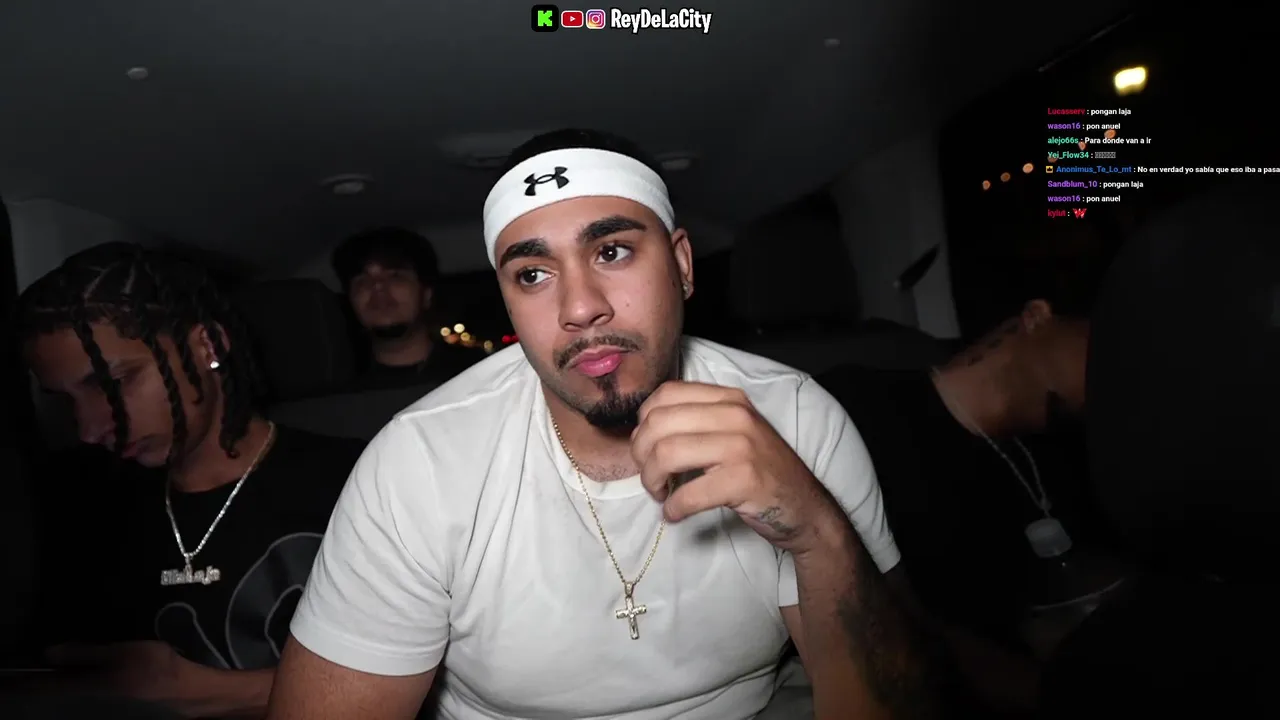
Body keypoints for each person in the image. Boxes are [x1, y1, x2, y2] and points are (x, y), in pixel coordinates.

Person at [266, 129, 939, 719]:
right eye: (533, 274)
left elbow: (894, 704)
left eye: (612, 251)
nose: (580, 308)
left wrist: (817, 531)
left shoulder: (794, 416)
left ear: (681, 265)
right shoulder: (417, 463)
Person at [15, 243, 365, 718]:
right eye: (65, 400)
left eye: (113, 384)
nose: (90, 428)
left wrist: (199, 691)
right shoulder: (83, 506)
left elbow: (438, 674)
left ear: (208, 346)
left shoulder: (357, 480)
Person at [818, 294, 1122, 713]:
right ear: (1036, 316)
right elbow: (868, 613)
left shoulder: (1064, 454)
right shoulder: (859, 410)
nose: (1115, 369)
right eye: (1103, 343)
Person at [331, 227, 483, 390]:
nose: (377, 286)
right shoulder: (337, 391)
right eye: (362, 280)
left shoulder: (477, 375)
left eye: (395, 276)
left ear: (426, 295)